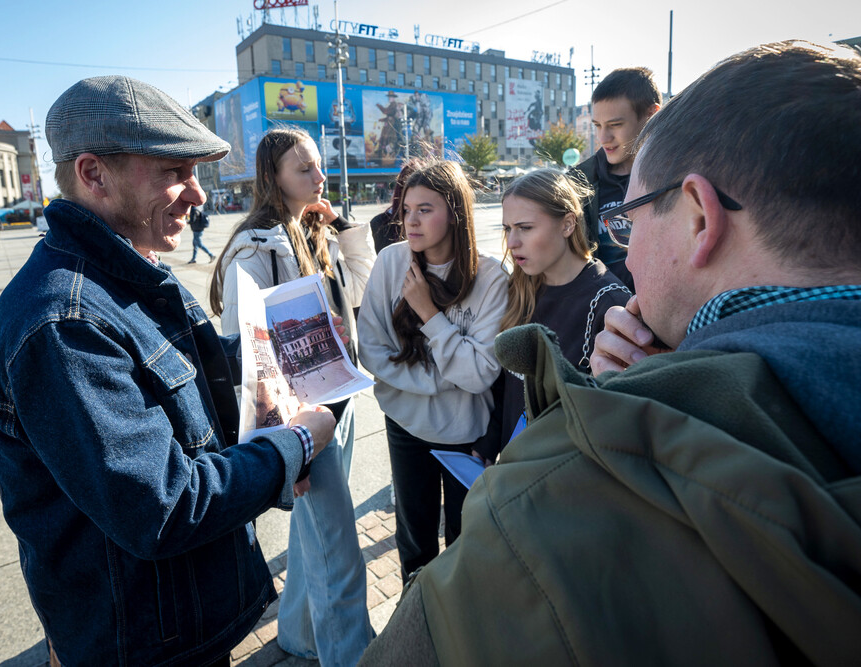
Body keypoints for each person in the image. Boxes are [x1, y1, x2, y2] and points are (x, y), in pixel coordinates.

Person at [359, 41, 861, 665]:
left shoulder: (568, 490)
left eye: (630, 217)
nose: (621, 248)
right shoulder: (539, 304)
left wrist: (611, 418)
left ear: (702, 218)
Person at [0, 76, 341, 667]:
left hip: (178, 620)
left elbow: (192, 382)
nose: (197, 196)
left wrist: (269, 385)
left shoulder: (135, 263)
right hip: (142, 644)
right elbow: (166, 507)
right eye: (175, 172)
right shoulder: (64, 324)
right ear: (93, 174)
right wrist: (291, 446)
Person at [209, 127, 375, 667]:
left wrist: (343, 230)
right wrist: (286, 438)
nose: (319, 177)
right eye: (304, 169)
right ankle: (351, 656)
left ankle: (300, 634)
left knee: (315, 541)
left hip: (339, 401)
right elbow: (248, 357)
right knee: (338, 548)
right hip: (301, 418)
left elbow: (361, 291)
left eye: (318, 165)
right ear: (272, 177)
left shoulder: (310, 231)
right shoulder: (255, 246)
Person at [357, 160, 507, 584]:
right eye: (406, 210)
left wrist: (427, 311)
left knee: (465, 541)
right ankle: (416, 625)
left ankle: (459, 628)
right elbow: (371, 348)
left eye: (425, 209)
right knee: (415, 539)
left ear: (455, 211)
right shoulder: (391, 261)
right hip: (405, 425)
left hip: (465, 434)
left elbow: (479, 376)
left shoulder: (490, 276)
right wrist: (441, 380)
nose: (411, 221)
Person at [490, 169, 630, 454]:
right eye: (507, 229)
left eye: (525, 228)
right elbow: (508, 386)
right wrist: (490, 442)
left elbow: (611, 423)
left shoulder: (610, 303)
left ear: (567, 225)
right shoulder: (521, 286)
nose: (512, 242)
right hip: (512, 466)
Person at [571, 67, 661, 291]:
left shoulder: (679, 175)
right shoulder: (578, 183)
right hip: (601, 315)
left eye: (615, 125)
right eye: (598, 126)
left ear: (652, 115)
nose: (604, 137)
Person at [368, 159, 422, 253]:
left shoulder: (379, 223)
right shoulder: (380, 225)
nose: (412, 221)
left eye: (423, 210)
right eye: (407, 209)